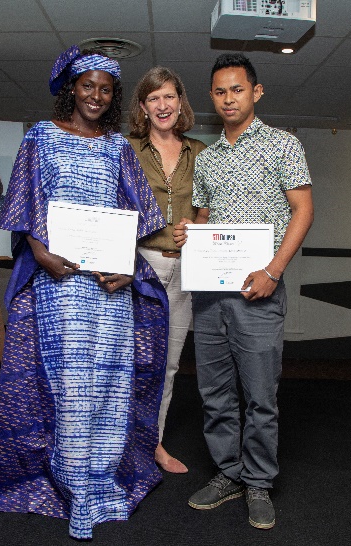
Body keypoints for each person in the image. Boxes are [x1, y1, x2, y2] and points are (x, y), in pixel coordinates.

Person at [0, 45, 168, 541]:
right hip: (60, 283)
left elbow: (142, 218)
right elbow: (22, 207)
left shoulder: (118, 148)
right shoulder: (39, 139)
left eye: (106, 89)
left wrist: (128, 266)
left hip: (109, 286)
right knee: (69, 387)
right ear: (71, 88)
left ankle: (104, 481)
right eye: (88, 85)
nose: (97, 96)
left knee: (110, 385)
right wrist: (40, 253)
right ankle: (72, 486)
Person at [173, 53, 314, 530]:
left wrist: (273, 271)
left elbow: (303, 211)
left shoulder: (282, 145)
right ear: (211, 97)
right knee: (214, 393)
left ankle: (258, 482)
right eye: (219, 91)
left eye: (237, 89)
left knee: (259, 396)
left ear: (256, 92)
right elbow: (207, 221)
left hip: (259, 292)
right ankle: (228, 473)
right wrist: (189, 232)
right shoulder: (208, 158)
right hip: (211, 295)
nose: (228, 98)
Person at [127, 67, 206, 474]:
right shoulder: (126, 149)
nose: (163, 105)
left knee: (169, 364)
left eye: (169, 97)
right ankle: (120, 445)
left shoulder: (201, 152)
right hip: (140, 267)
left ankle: (153, 445)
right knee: (132, 361)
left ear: (180, 102)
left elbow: (214, 210)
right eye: (153, 98)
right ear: (143, 106)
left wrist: (201, 224)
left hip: (188, 270)